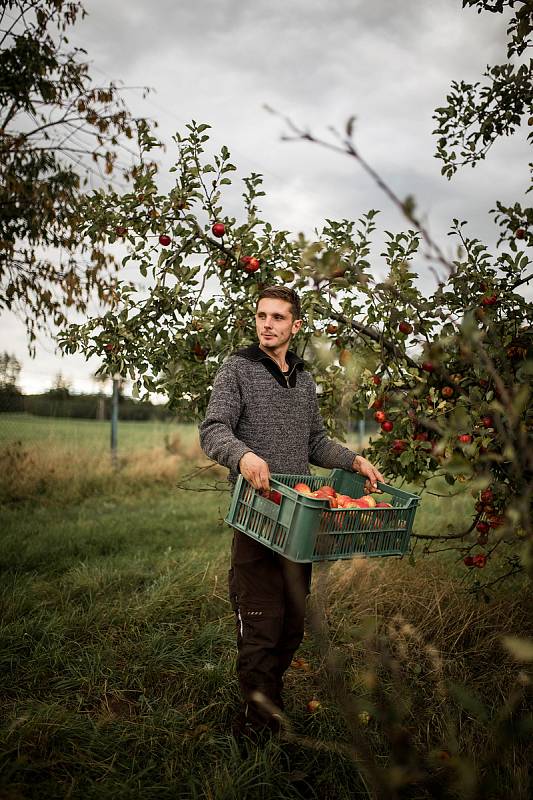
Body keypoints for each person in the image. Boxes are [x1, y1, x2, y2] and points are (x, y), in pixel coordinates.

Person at [199, 286, 383, 741]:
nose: (267, 324)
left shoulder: (303, 379)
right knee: (261, 625)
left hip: (298, 523)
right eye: (261, 315)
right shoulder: (236, 369)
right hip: (257, 515)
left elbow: (314, 441)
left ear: (295, 326)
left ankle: (268, 710)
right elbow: (213, 429)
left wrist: (352, 459)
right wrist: (242, 457)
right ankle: (257, 735)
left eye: (278, 317)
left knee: (291, 627)